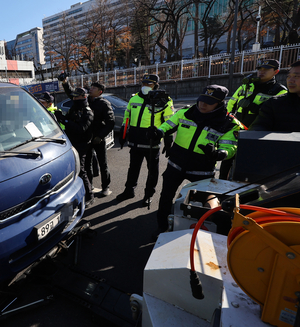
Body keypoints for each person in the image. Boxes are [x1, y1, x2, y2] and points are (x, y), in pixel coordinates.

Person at [150, 85, 240, 236]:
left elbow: (230, 147)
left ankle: (201, 233)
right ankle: (162, 226)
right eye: (201, 100)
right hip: (175, 165)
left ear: (220, 103)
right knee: (165, 197)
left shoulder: (229, 124)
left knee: (205, 205)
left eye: (208, 102)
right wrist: (158, 131)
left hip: (202, 171)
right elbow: (169, 124)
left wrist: (219, 154)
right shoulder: (186, 112)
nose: (202, 105)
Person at [220, 59, 287, 178]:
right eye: (260, 69)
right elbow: (231, 103)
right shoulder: (247, 85)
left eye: (266, 70)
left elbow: (278, 114)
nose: (261, 72)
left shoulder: (279, 90)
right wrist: (227, 119)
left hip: (257, 132)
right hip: (236, 128)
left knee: (246, 164)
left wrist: (256, 108)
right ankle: (221, 185)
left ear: (276, 72)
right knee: (226, 160)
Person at [115, 74, 174, 207]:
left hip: (152, 143)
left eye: (149, 84)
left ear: (156, 86)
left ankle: (148, 195)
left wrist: (168, 141)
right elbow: (127, 117)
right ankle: (129, 190)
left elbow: (169, 123)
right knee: (133, 169)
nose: (145, 87)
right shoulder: (134, 98)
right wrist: (124, 134)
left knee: (152, 171)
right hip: (135, 141)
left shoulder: (164, 101)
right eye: (144, 84)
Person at [61, 75, 115, 197]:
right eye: (91, 87)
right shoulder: (86, 100)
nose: (91, 89)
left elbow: (110, 122)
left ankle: (105, 186)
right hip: (86, 138)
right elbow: (72, 94)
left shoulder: (104, 104)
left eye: (94, 88)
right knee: (87, 165)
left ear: (100, 92)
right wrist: (65, 83)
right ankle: (89, 185)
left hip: (98, 138)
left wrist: (100, 136)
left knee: (103, 163)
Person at [55, 87, 95, 207]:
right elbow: (69, 121)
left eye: (77, 96)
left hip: (82, 144)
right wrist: (61, 116)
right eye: (73, 96)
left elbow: (81, 128)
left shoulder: (88, 112)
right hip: (71, 143)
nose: (74, 98)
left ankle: (90, 196)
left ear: (84, 97)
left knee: (81, 170)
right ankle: (75, 194)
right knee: (71, 170)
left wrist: (65, 121)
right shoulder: (74, 108)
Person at [250, 60, 300, 132]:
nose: (290, 80)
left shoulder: (279, 89)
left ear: (276, 72)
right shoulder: (274, 104)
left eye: (296, 76)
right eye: (288, 76)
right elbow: (259, 125)